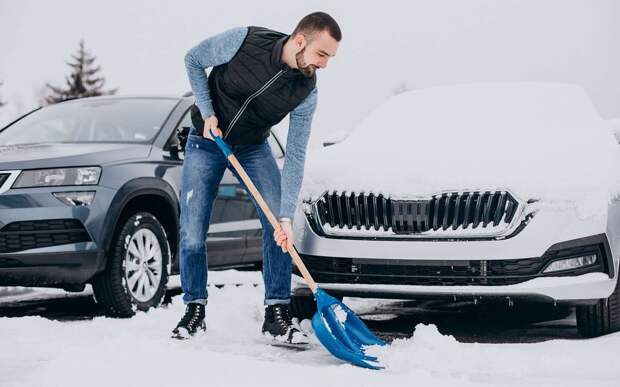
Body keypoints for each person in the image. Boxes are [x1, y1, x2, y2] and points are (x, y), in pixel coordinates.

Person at [172, 12, 341, 345]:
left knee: (278, 227)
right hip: (206, 141)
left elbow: (294, 155)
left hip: (252, 146)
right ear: (300, 41)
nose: (325, 64)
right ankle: (194, 309)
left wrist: (286, 215)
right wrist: (207, 112)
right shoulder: (244, 40)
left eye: (331, 57)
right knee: (192, 231)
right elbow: (193, 60)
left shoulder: (306, 91)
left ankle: (276, 313)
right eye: (322, 54)